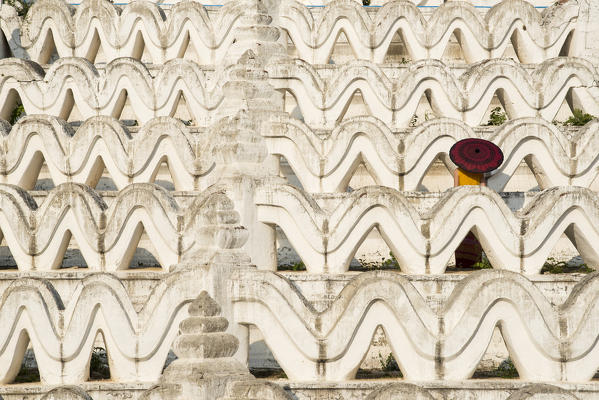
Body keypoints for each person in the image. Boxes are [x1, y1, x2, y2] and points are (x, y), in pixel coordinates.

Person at [453, 168, 485, 268]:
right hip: (476, 204)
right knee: (475, 233)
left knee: (461, 233)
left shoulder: (457, 171)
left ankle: (460, 261)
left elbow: (456, 189)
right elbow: (483, 189)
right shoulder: (480, 172)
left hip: (463, 204)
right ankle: (475, 262)